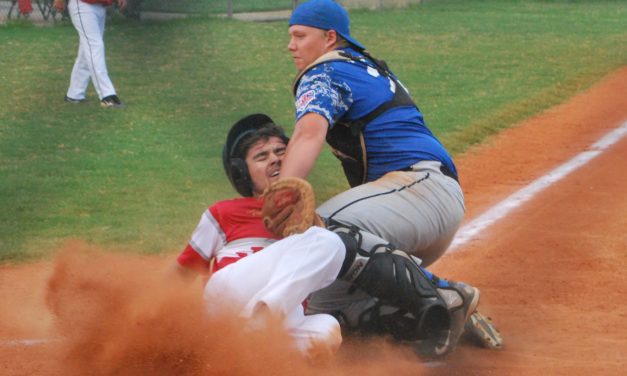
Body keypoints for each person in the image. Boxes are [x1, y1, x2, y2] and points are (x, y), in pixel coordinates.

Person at [275, 0, 502, 354]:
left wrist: (283, 194)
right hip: (417, 209)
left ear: (329, 37)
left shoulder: (324, 72)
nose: (291, 45)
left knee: (315, 235)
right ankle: (427, 316)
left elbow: (309, 132)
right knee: (317, 302)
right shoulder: (365, 68)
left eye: (300, 36)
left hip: (419, 192)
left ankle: (444, 293)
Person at [176, 114, 499, 358]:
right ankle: (257, 325)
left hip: (284, 319)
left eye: (280, 151)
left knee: (327, 329)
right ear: (240, 172)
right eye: (262, 156)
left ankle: (257, 356)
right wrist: (161, 321)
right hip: (229, 297)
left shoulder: (306, 216)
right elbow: (180, 275)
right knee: (331, 240)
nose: (275, 158)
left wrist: (436, 291)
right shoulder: (224, 212)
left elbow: (371, 260)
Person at [53, 0, 125, 108]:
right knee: (95, 46)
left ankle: (74, 94)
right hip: (82, 5)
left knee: (86, 51)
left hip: (100, 5)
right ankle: (107, 95)